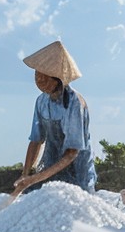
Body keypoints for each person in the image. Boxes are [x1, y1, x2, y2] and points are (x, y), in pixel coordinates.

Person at [14, 41, 96, 194]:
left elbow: (72, 153)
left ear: (58, 79)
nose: (38, 81)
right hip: (51, 166)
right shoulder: (41, 101)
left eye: (44, 78)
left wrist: (35, 179)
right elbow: (36, 140)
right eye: (37, 76)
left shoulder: (74, 103)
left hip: (78, 171)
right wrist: (25, 175)